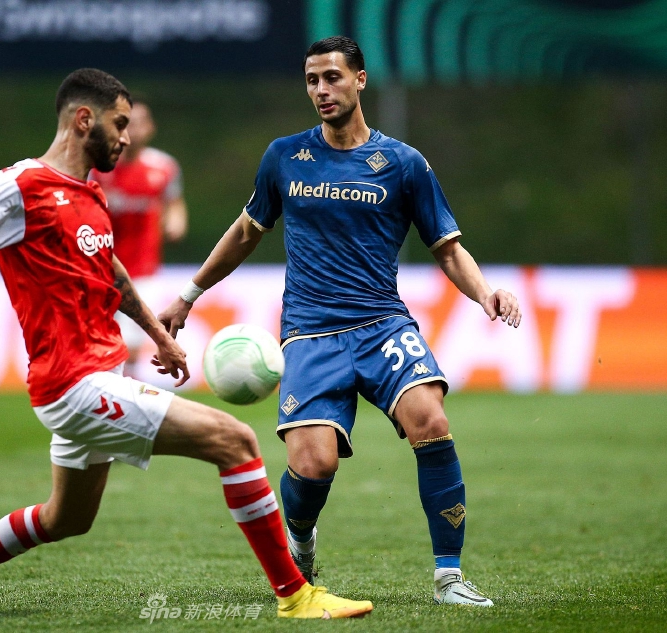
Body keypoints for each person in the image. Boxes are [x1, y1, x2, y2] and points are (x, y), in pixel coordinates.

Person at [0, 68, 373, 620]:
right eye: (119, 124)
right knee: (235, 440)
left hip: (99, 374)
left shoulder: (91, 193)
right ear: (83, 119)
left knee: (65, 518)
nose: (127, 135)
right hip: (71, 384)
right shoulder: (18, 187)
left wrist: (159, 336)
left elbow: (111, 272)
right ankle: (295, 594)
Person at [158, 37, 522, 607]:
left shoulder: (403, 163)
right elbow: (247, 231)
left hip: (382, 324)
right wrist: (189, 295)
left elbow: (447, 248)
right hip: (310, 332)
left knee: (430, 419)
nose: (321, 90)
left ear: (360, 79)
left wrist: (485, 293)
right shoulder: (285, 157)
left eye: (332, 77)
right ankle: (301, 538)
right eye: (312, 80)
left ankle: (449, 576)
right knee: (313, 465)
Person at [90, 97, 187, 377]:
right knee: (101, 346)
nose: (133, 129)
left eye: (139, 123)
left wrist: (176, 221)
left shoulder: (164, 167)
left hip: (144, 271)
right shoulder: (98, 168)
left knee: (130, 348)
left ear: (150, 127)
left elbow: (175, 203)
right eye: (126, 123)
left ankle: (123, 396)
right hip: (100, 270)